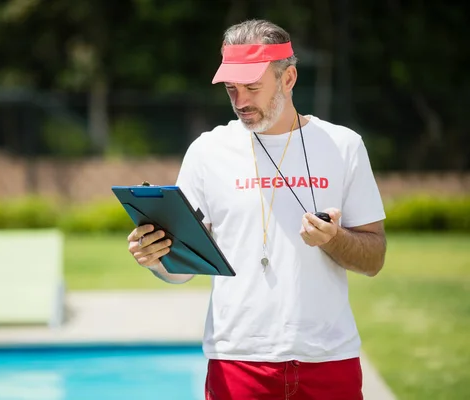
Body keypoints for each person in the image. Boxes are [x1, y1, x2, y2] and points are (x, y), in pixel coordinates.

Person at [126, 19, 387, 400]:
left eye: (252, 87)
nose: (241, 101)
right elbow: (183, 267)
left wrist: (334, 239)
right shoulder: (207, 151)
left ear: (289, 78)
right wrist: (156, 258)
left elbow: (374, 258)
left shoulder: (343, 146)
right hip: (237, 361)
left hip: (329, 359)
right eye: (231, 89)